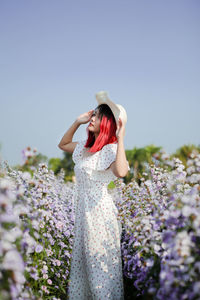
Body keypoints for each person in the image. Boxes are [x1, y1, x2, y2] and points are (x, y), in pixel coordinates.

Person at [58, 91, 129, 299]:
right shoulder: (85, 149)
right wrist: (77, 122)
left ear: (107, 122)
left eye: (97, 115)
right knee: (84, 265)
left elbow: (122, 172)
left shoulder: (110, 149)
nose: (92, 118)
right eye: (93, 114)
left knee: (99, 265)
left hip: (99, 215)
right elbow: (62, 144)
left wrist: (121, 138)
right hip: (84, 214)